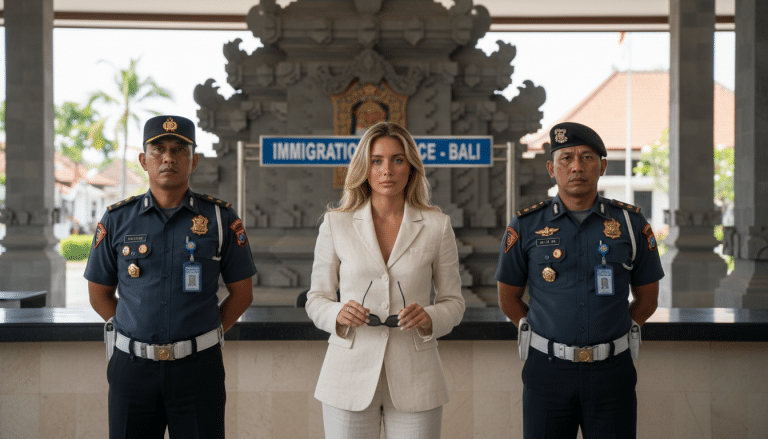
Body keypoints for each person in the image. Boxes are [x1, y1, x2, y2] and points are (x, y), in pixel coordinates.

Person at [85, 115, 256, 439]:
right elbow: (98, 294)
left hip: (199, 369)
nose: (168, 157)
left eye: (179, 149)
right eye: (158, 149)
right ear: (143, 160)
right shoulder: (117, 219)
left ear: (194, 160)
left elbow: (242, 293)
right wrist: (135, 329)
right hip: (132, 369)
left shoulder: (220, 218)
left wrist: (205, 334)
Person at [496, 122, 663, 439]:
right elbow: (508, 298)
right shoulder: (526, 225)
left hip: (612, 372)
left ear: (602, 166)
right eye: (566, 158)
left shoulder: (630, 223)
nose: (576, 167)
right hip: (547, 371)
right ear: (551, 168)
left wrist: (610, 330)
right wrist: (540, 330)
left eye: (587, 157)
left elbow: (648, 299)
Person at [305, 121, 465, 438]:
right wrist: (338, 313)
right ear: (364, 167)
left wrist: (429, 317)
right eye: (376, 161)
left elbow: (454, 303)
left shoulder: (437, 225)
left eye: (397, 160)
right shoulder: (336, 224)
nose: (386, 171)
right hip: (347, 377)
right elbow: (316, 299)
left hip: (417, 378)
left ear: (411, 167)